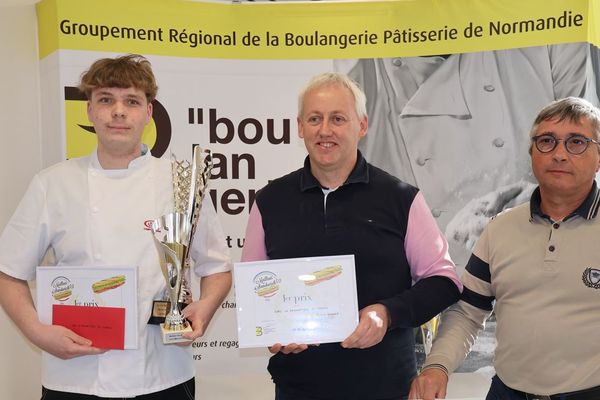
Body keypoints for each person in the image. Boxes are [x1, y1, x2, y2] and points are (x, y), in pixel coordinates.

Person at [0, 54, 232, 399]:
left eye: (132, 101)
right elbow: (8, 272)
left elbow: (217, 267)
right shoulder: (53, 184)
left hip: (163, 373)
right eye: (106, 100)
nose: (119, 111)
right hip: (74, 376)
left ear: (149, 113)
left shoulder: (179, 182)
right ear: (90, 111)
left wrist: (207, 305)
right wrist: (37, 332)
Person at [241, 72, 462, 400]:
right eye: (315, 118)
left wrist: (387, 313)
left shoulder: (401, 198)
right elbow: (255, 294)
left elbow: (445, 282)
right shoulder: (269, 202)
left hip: (387, 388)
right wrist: (274, 333)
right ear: (300, 127)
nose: (325, 130)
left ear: (362, 125)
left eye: (338, 119)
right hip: (298, 391)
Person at [340, 43, 598, 270]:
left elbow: (586, 146)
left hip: (536, 267)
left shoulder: (546, 24)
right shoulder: (356, 52)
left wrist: (547, 206)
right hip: (430, 281)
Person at [409, 97, 600, 400]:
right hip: (507, 393)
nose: (560, 154)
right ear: (531, 153)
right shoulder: (499, 229)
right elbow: (467, 313)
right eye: (546, 141)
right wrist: (438, 365)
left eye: (576, 142)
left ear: (598, 156)